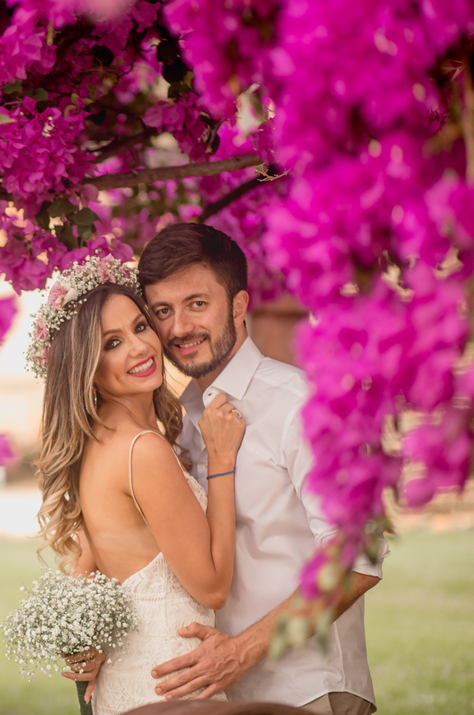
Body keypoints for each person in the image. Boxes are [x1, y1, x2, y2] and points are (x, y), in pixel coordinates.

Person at [135, 222, 386, 714]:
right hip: (218, 692)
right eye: (163, 311)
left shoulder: (303, 404)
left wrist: (242, 651)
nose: (180, 327)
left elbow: (359, 559)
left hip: (307, 689)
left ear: (239, 304)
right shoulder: (178, 417)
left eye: (197, 303)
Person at [27, 255, 247, 715]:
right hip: (174, 686)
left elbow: (87, 565)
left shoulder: (95, 440)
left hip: (129, 685)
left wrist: (89, 639)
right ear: (86, 364)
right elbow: (210, 588)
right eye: (112, 342)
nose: (139, 349)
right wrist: (222, 463)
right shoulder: (141, 449)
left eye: (140, 327)